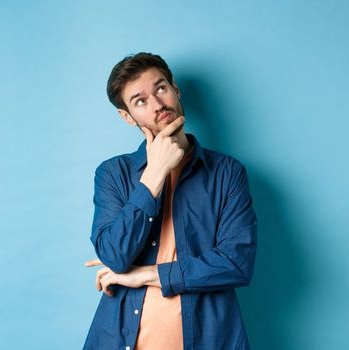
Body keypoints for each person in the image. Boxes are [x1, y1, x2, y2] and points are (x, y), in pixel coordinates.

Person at [82, 52, 257, 350]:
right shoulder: (113, 173)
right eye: (140, 100)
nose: (157, 104)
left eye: (160, 88)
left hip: (209, 339)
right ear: (127, 116)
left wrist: (147, 274)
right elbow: (114, 254)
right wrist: (156, 173)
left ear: (176, 90)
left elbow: (236, 263)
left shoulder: (227, 173)